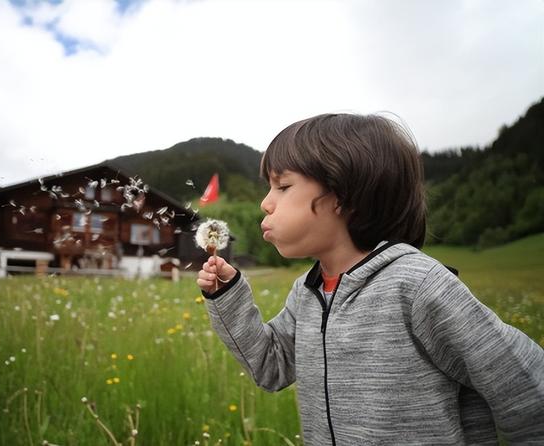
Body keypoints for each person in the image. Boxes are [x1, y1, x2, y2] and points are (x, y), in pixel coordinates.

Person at [196, 113, 544, 445]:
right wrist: (227, 295)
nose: (266, 204)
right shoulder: (307, 292)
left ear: (343, 197)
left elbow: (528, 390)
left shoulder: (417, 286)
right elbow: (270, 366)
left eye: (283, 186)